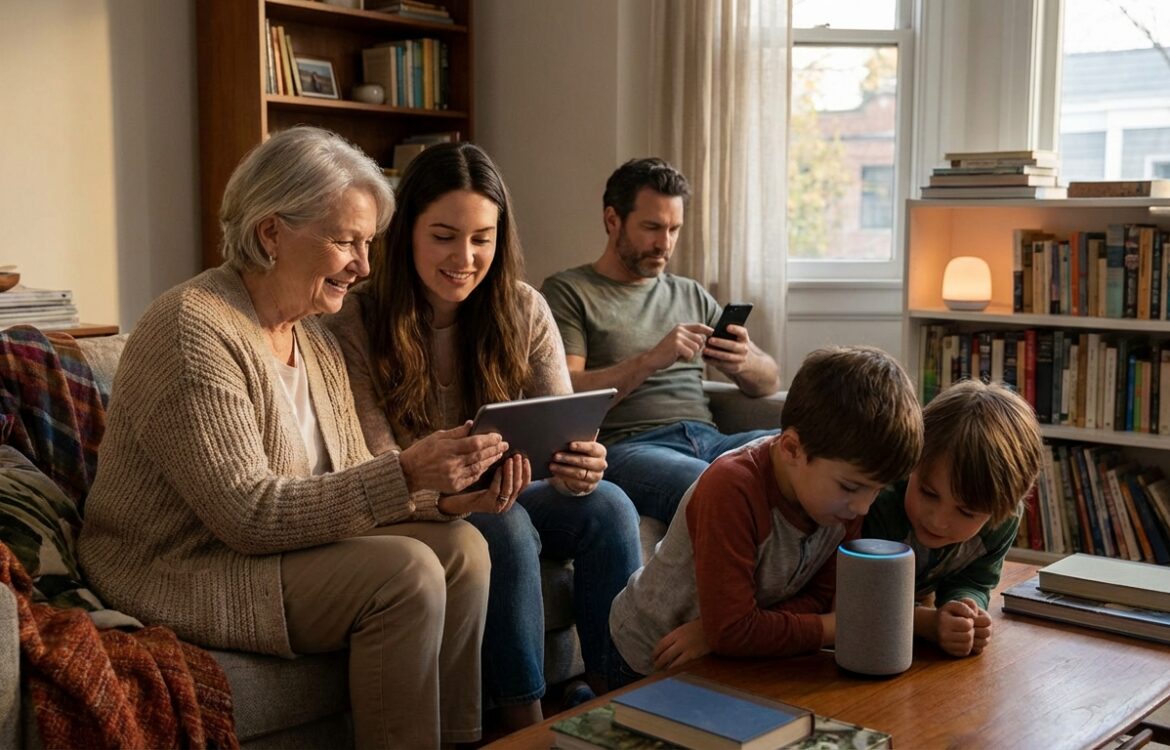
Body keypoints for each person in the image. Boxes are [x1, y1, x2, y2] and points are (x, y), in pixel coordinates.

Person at [78, 126, 496, 749]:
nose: (363, 266)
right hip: (184, 564)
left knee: (462, 547)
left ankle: (461, 741)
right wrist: (408, 471)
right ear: (271, 232)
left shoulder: (316, 339)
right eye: (344, 242)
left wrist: (450, 495)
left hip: (278, 547)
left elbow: (350, 473)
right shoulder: (191, 327)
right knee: (404, 571)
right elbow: (247, 514)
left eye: (368, 244)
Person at [325, 142, 642, 731]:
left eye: (482, 238)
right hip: (423, 505)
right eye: (443, 235)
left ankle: (616, 706)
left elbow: (561, 426)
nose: (465, 257)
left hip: (511, 488)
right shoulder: (355, 321)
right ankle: (525, 724)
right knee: (503, 522)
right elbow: (373, 460)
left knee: (610, 506)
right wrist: (454, 496)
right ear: (405, 232)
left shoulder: (522, 308)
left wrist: (581, 466)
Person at [605, 345, 923, 690]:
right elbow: (742, 630)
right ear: (791, 449)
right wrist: (834, 626)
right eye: (851, 487)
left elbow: (820, 597)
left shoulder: (842, 500)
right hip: (650, 656)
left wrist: (734, 628)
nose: (863, 508)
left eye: (875, 491)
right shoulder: (732, 488)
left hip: (731, 652)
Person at [541, 157, 782, 526]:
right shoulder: (570, 291)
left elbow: (770, 380)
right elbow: (566, 393)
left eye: (674, 229)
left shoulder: (690, 293)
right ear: (612, 220)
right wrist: (651, 359)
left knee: (813, 452)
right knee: (714, 485)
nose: (664, 244)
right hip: (631, 447)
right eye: (652, 227)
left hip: (709, 439)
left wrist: (742, 360)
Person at [859, 379, 1043, 658]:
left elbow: (974, 580)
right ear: (913, 462)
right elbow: (858, 596)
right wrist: (927, 624)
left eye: (967, 512)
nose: (939, 521)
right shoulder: (878, 502)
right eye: (929, 493)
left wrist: (964, 609)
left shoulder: (1000, 521)